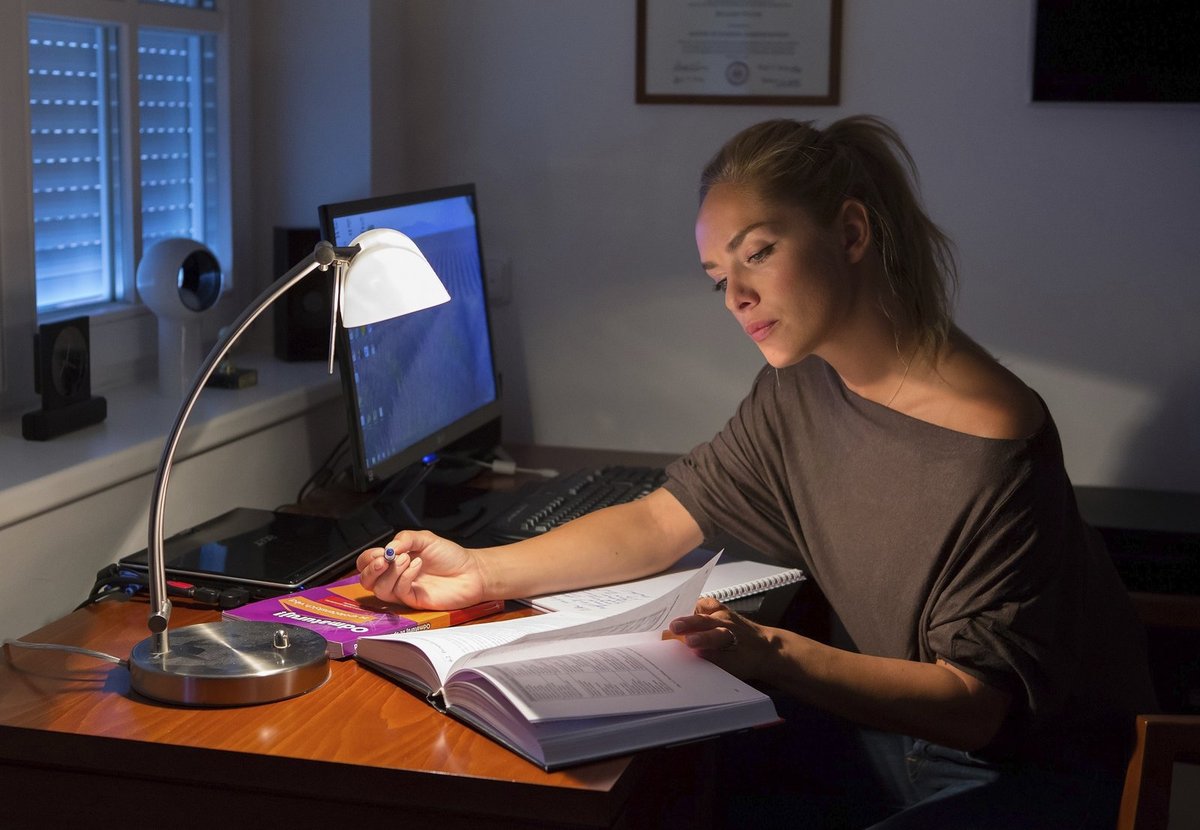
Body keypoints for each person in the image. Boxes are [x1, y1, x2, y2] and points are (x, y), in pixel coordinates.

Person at [358, 116, 1156, 828]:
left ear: (850, 233)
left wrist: (769, 652)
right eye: (718, 280)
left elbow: (980, 710)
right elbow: (659, 519)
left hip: (1023, 772)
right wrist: (480, 571)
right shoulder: (800, 384)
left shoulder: (996, 437)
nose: (736, 296)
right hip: (886, 739)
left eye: (759, 254)